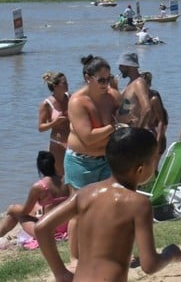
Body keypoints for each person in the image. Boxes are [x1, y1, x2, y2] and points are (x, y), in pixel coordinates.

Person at [35, 128, 181, 281]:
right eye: (153, 161)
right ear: (140, 169)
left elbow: (41, 228)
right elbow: (150, 265)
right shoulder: (139, 204)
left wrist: (61, 273)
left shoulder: (85, 193)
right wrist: (170, 253)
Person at [65, 54, 120, 265]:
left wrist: (127, 114)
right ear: (88, 78)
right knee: (79, 209)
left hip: (106, 158)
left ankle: (110, 250)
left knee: (110, 206)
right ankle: (75, 256)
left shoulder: (112, 96)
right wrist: (114, 126)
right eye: (102, 80)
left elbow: (128, 111)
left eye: (109, 79)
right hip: (81, 161)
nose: (106, 84)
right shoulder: (77, 102)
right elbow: (87, 137)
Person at [0, 151, 69, 242]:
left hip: (48, 231)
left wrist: (12, 208)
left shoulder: (39, 186)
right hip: (66, 226)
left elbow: (25, 211)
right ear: (54, 164)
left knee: (16, 213)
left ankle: (0, 233)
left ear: (39, 167)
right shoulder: (66, 180)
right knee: (36, 208)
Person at [38, 71, 70, 177]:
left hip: (73, 142)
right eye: (64, 83)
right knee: (60, 176)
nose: (67, 84)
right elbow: (40, 127)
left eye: (67, 82)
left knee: (74, 176)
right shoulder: (46, 104)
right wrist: (54, 123)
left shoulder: (70, 97)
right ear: (55, 86)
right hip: (58, 144)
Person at [116, 52, 151, 129]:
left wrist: (139, 131)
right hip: (126, 130)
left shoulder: (138, 83)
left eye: (121, 65)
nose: (119, 68)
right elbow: (126, 106)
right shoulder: (130, 83)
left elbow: (147, 109)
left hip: (134, 131)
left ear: (129, 66)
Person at [141, 71, 168, 156]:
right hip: (141, 135)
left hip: (152, 135)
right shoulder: (138, 97)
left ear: (149, 84)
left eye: (145, 84)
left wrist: (158, 140)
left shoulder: (153, 99)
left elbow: (161, 121)